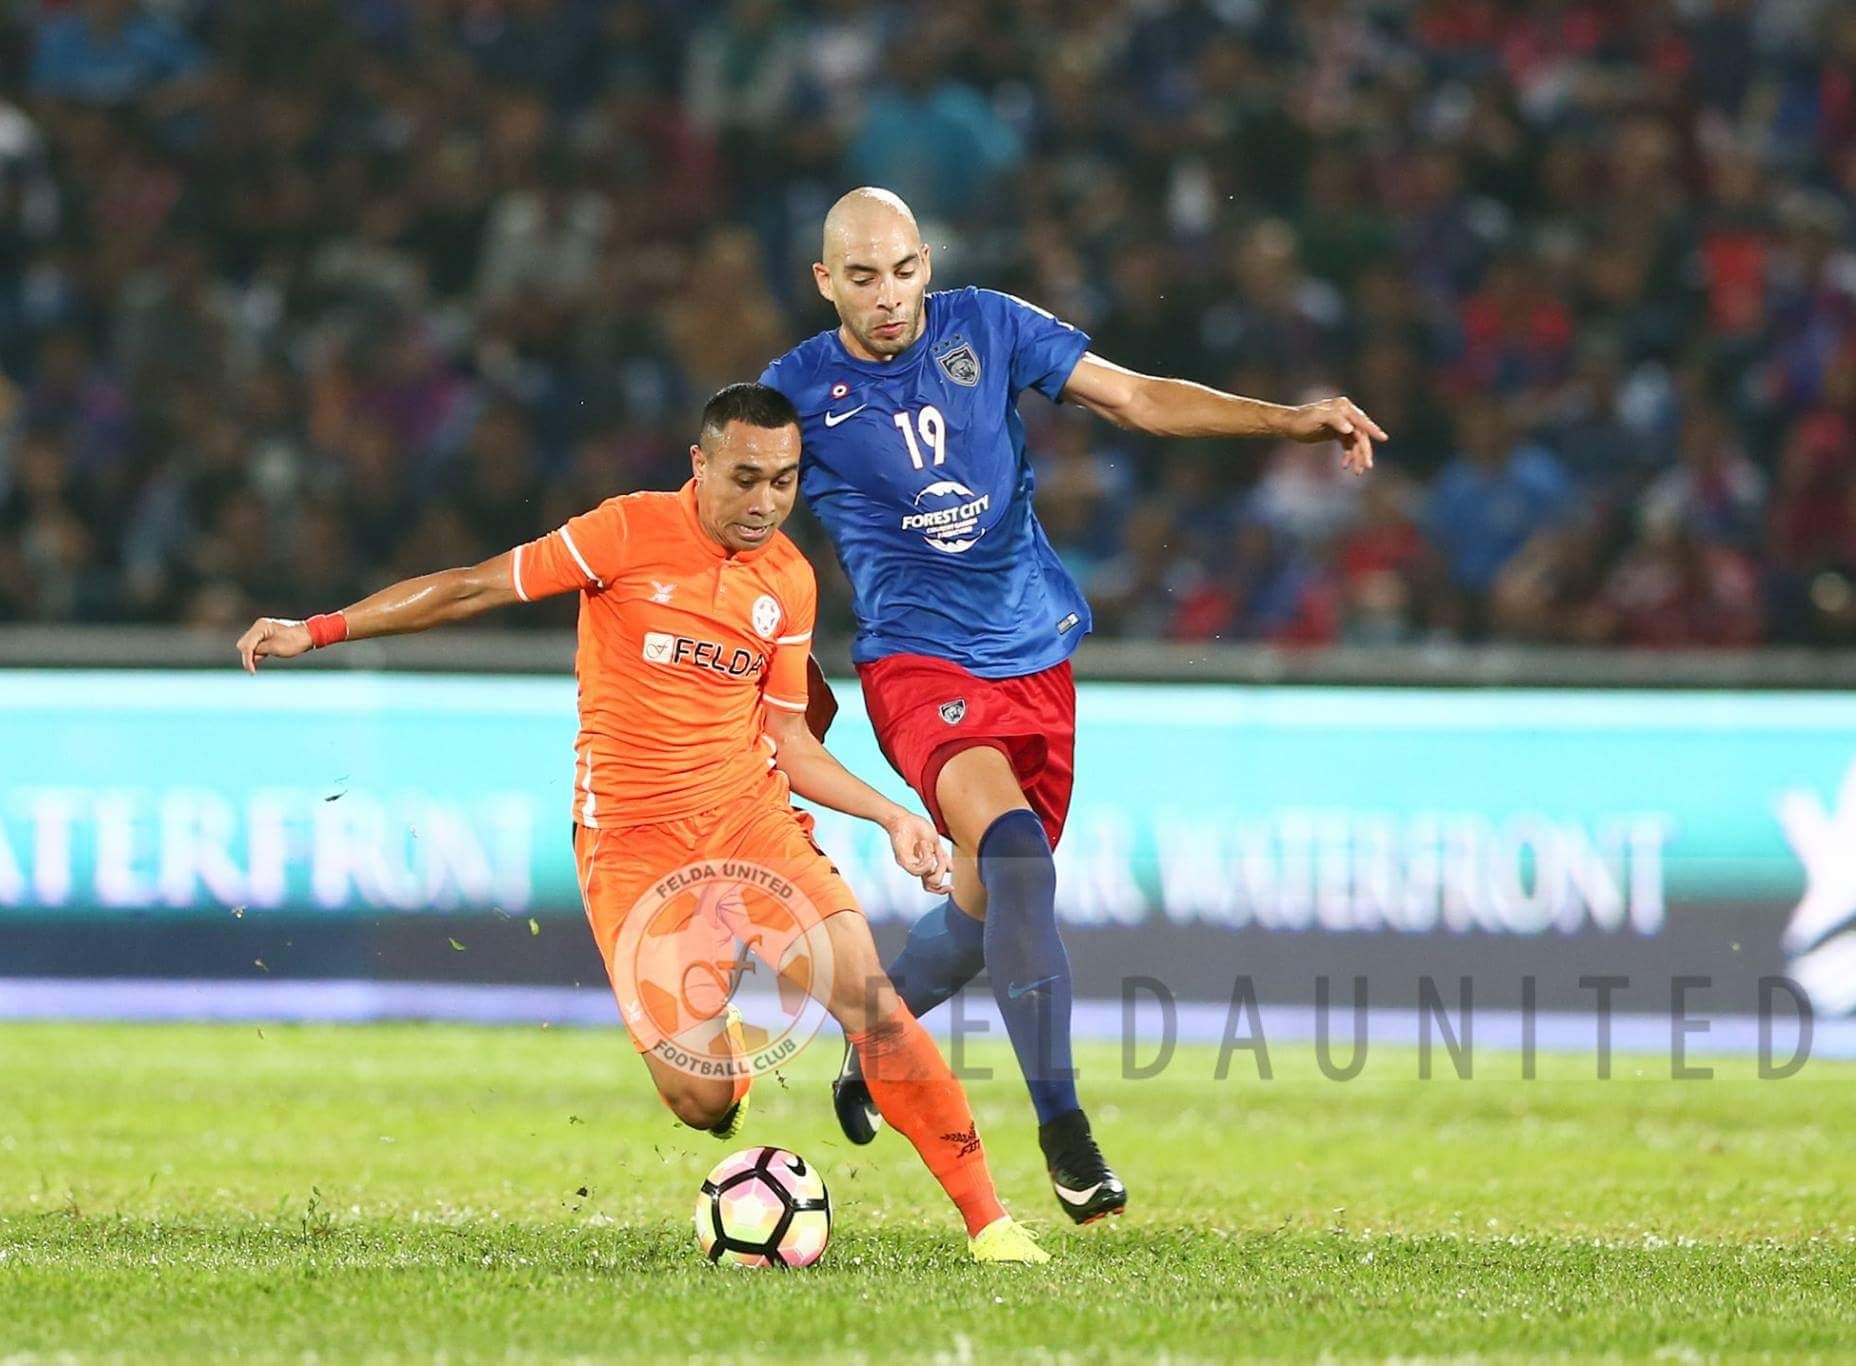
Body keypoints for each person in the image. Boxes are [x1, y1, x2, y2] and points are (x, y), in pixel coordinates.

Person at [234, 382, 1048, 1263]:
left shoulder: (788, 582)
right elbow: (472, 589)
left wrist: (892, 814)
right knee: (702, 1103)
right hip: (629, 845)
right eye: (745, 478)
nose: (765, 503)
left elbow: (790, 741)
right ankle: (719, 1025)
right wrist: (316, 630)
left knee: (871, 1004)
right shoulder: (623, 532)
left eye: (784, 481)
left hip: (749, 825)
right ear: (698, 466)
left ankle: (990, 1223)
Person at [760, 188, 1385, 1225]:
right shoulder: (794, 392)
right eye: (859, 277)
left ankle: (875, 1043)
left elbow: (1134, 398)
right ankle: (1064, 1134)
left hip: (1034, 652)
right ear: (823, 281)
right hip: (917, 664)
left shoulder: (990, 326)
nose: (886, 296)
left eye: (902, 270)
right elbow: (730, 513)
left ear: (928, 260)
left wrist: (1288, 418)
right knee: (1014, 854)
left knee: (978, 910)